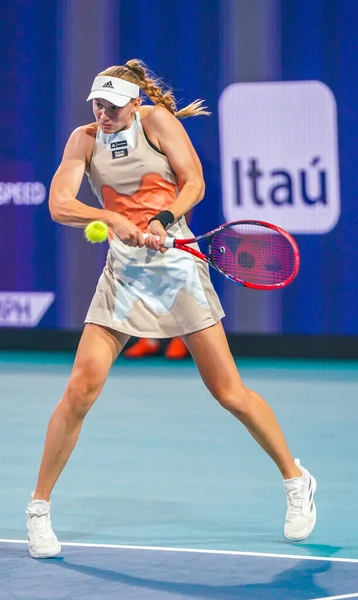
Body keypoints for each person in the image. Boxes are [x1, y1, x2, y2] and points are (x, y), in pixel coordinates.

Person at [26, 59, 317, 558]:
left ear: (135, 103)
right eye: (97, 104)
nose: (102, 114)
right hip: (123, 275)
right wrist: (108, 218)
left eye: (113, 106)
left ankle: (296, 480)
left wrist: (163, 219)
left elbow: (194, 183)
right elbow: (58, 205)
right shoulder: (84, 139)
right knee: (79, 389)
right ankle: (38, 509)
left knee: (230, 393)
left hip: (178, 271)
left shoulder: (158, 123)